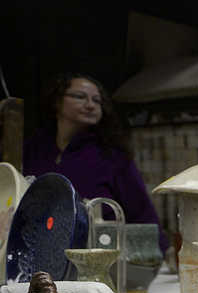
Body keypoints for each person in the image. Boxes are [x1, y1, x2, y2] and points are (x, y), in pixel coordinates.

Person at [22, 73, 167, 253]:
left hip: (96, 253)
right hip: (37, 251)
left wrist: (160, 251)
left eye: (97, 101)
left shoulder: (112, 156)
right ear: (57, 102)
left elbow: (141, 210)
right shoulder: (33, 149)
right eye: (80, 97)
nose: (91, 105)